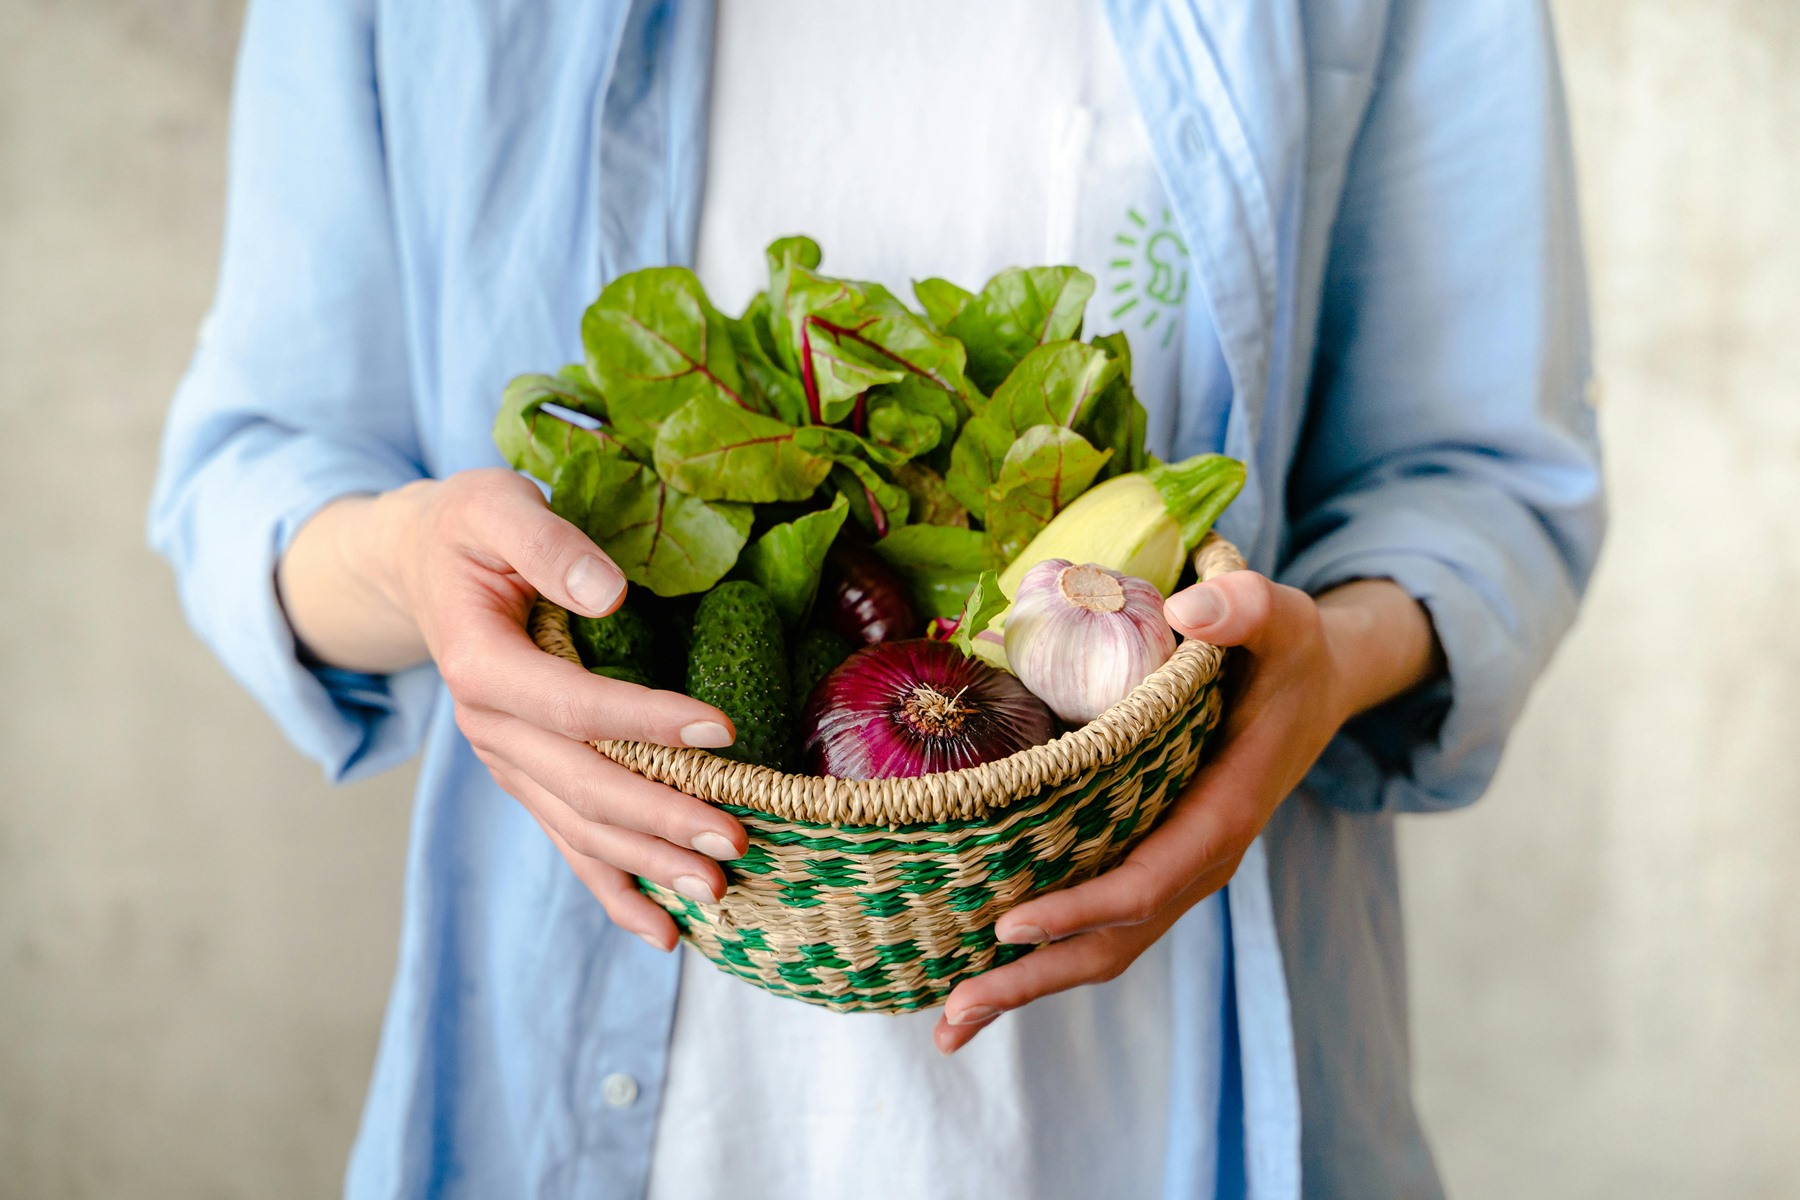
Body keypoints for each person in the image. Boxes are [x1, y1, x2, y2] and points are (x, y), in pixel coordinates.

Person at [149, 1, 1603, 1197]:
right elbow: (255, 475)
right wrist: (412, 560)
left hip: (1162, 1098)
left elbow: (1480, 479)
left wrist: (1332, 659)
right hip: (589, 1086)